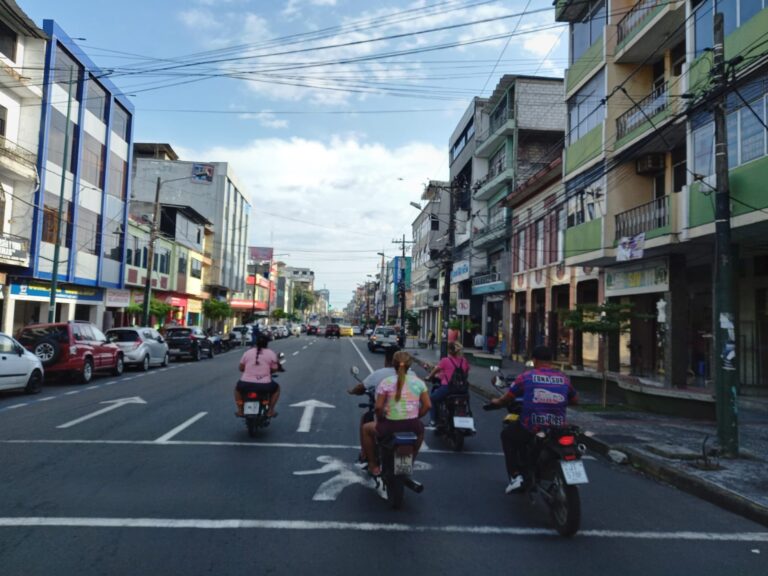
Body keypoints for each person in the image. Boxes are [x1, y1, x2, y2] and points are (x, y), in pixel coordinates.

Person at [487, 345, 578, 494]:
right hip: (557, 428)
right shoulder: (564, 379)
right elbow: (575, 400)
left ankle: (516, 476)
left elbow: (508, 398)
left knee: (507, 436)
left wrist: (497, 402)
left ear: (534, 360)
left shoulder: (526, 377)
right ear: (552, 360)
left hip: (533, 426)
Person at [361, 351, 431, 498]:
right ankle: (410, 462)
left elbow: (379, 407)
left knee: (366, 429)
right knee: (421, 431)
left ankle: (373, 464)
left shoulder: (386, 383)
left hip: (390, 425)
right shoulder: (418, 382)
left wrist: (380, 418)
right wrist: (416, 416)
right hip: (412, 425)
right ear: (409, 365)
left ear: (392, 364)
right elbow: (427, 405)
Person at [347, 346, 399, 466]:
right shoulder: (412, 375)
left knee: (366, 426)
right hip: (410, 423)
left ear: (387, 359)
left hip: (390, 421)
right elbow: (426, 405)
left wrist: (351, 391)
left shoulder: (382, 377)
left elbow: (378, 407)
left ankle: (371, 462)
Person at [235, 333, 280, 418]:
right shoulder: (271, 353)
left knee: (237, 389)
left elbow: (241, 368)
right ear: (267, 343)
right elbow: (275, 369)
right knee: (277, 389)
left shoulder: (247, 353)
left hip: (245, 384)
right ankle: (270, 411)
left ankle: (240, 410)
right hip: (265, 385)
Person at [426, 341, 470, 427]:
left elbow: (435, 370)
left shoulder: (445, 360)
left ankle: (433, 421)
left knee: (432, 399)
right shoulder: (464, 361)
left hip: (447, 388)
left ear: (449, 351)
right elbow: (466, 373)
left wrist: (429, 377)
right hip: (462, 390)